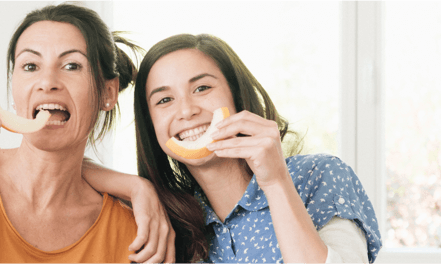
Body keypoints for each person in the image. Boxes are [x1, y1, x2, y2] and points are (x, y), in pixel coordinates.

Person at [0, 4, 172, 263]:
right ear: (14, 90)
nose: (47, 82)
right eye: (30, 66)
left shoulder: (130, 230)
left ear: (108, 93)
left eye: (72, 65)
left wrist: (137, 186)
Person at [127, 33, 383, 263]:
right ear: (151, 126)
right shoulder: (168, 222)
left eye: (202, 88)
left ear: (237, 97)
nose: (186, 110)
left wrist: (275, 182)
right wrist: (134, 186)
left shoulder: (320, 175)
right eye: (164, 100)